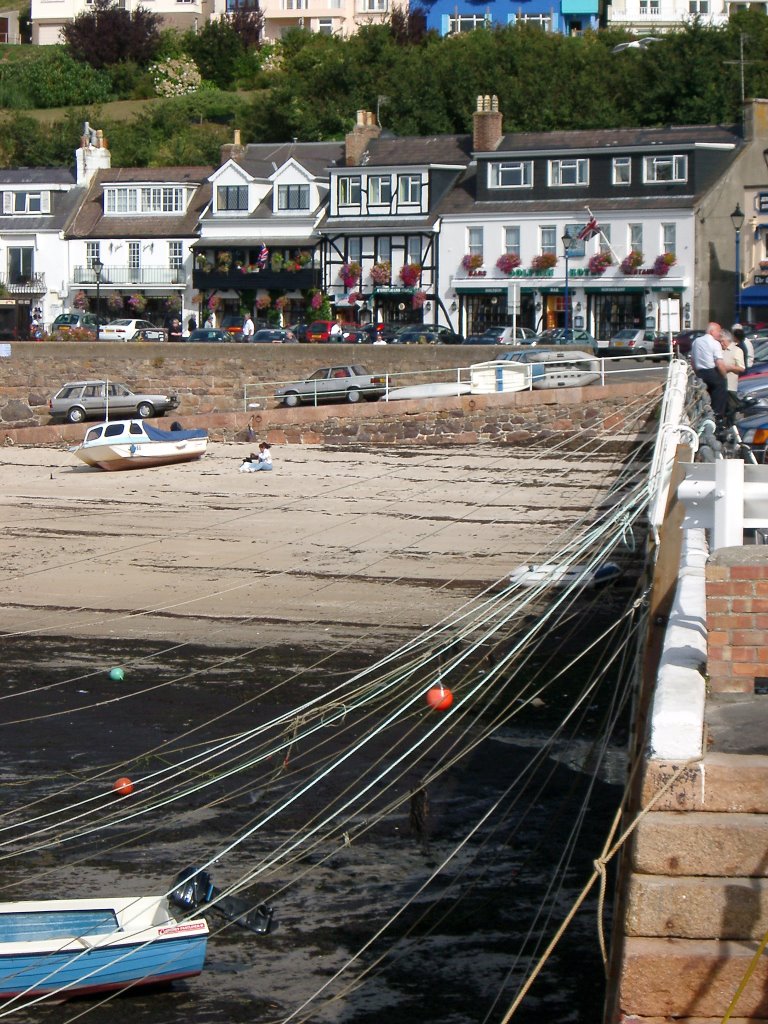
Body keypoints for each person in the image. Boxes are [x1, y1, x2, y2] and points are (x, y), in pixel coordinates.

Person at [691, 322, 728, 418]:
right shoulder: (715, 343)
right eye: (718, 331)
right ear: (712, 331)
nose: (720, 334)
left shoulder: (696, 341)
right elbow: (719, 363)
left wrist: (697, 373)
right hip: (711, 371)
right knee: (720, 388)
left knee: (702, 394)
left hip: (700, 373)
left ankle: (702, 414)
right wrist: (724, 376)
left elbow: (693, 361)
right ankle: (717, 415)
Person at [720, 329, 745, 415]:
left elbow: (742, 368)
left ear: (728, 340)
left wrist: (730, 367)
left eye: (723, 341)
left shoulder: (737, 351)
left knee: (731, 408)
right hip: (720, 385)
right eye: (720, 341)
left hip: (730, 385)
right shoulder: (720, 350)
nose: (721, 343)